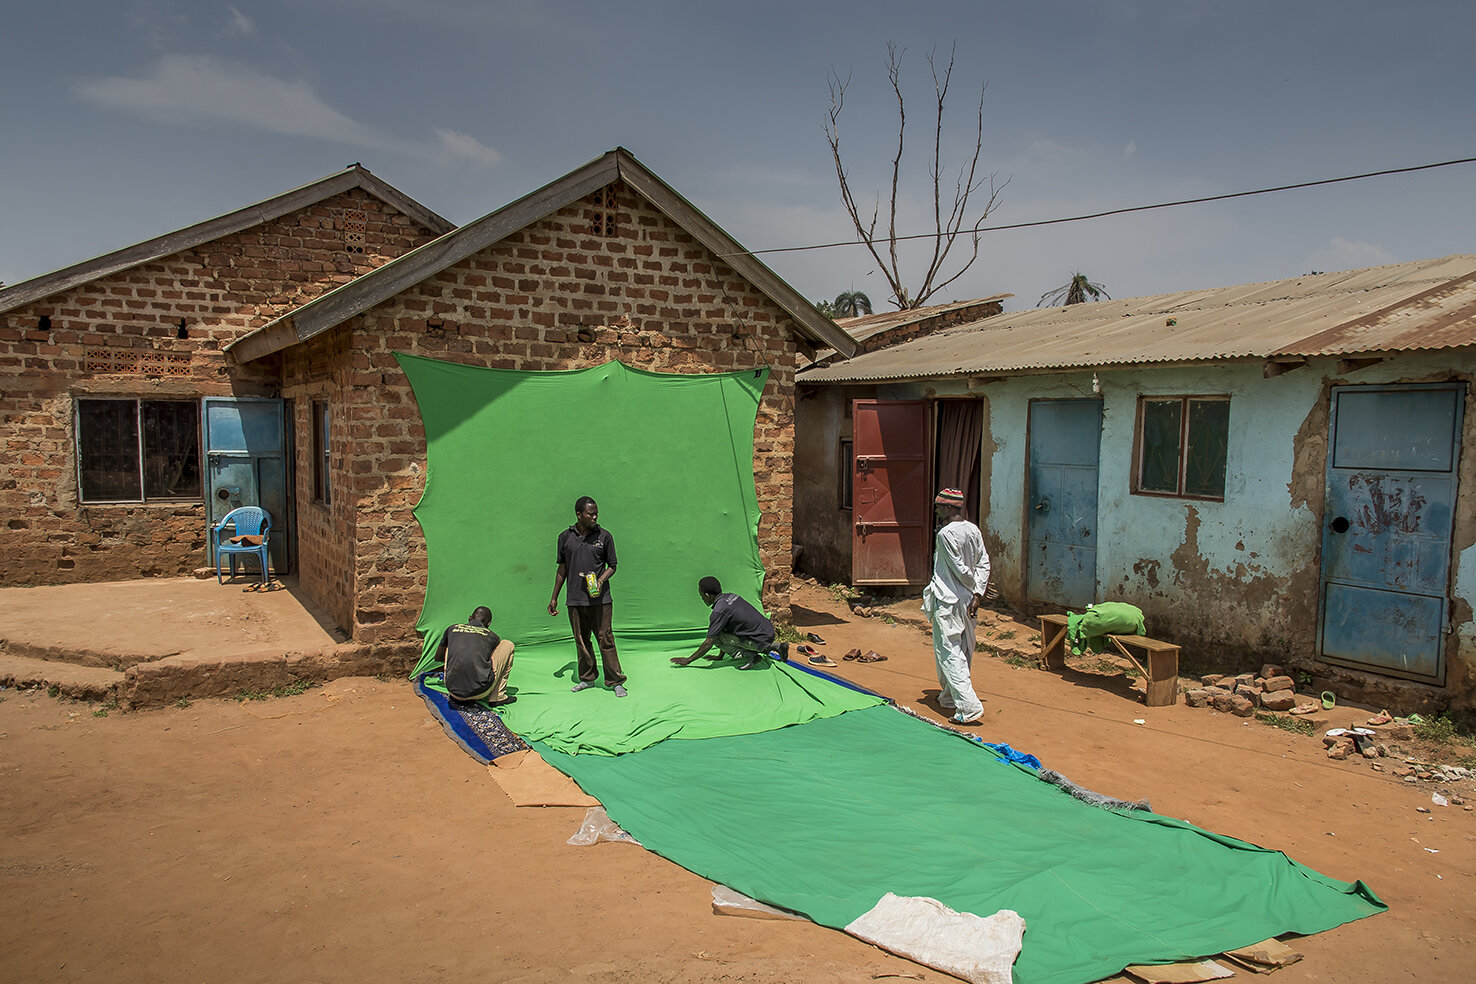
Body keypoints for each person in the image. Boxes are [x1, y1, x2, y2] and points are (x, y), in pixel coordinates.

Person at [922, 487, 991, 724]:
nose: (937, 511)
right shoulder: (973, 529)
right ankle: (950, 697)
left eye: (939, 507)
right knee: (963, 649)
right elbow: (983, 562)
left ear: (950, 508)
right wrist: (978, 593)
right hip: (968, 600)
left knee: (949, 651)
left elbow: (959, 568)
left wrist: (973, 588)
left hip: (950, 599)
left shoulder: (945, 535)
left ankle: (969, 706)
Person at [548, 495, 627, 697]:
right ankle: (587, 679)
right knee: (581, 639)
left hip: (600, 600)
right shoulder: (565, 537)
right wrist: (554, 597)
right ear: (579, 514)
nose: (595, 517)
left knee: (605, 637)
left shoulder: (605, 537)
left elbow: (613, 566)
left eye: (596, 513)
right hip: (575, 599)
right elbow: (562, 569)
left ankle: (615, 681)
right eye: (590, 513)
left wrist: (600, 581)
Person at [671, 576, 788, 671]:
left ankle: (752, 656)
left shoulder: (719, 611)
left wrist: (689, 660)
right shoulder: (731, 596)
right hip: (767, 632)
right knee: (719, 631)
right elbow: (724, 628)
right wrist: (720, 656)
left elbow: (709, 642)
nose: (702, 599)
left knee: (715, 638)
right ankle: (777, 646)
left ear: (707, 595)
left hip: (759, 639)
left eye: (702, 596)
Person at [436, 606, 516, 706]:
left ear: (470, 618)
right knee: (507, 644)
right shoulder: (492, 636)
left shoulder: (452, 628)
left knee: (451, 643)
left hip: (452, 690)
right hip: (480, 691)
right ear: (488, 624)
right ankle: (498, 696)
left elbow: (438, 657)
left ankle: (456, 680)